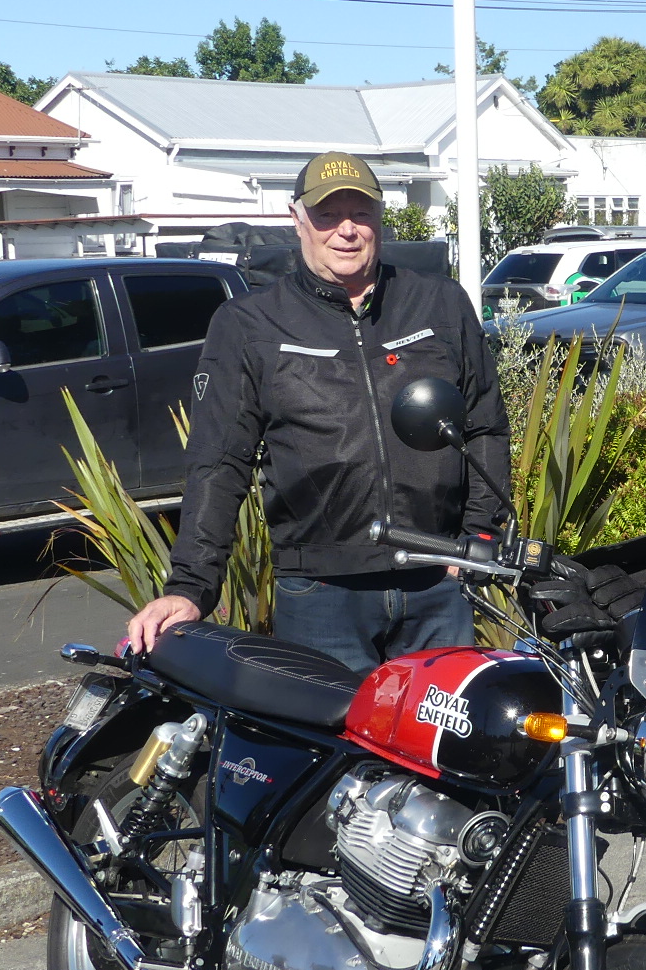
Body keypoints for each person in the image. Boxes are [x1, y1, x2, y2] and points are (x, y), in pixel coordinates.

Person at [125, 152, 509, 672]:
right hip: (320, 595)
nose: (346, 230)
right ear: (297, 218)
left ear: (380, 217)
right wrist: (190, 587)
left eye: (361, 213)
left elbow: (484, 425)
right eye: (328, 214)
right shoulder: (250, 323)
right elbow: (219, 461)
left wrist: (479, 537)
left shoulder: (439, 303)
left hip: (435, 583)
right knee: (334, 727)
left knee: (438, 726)